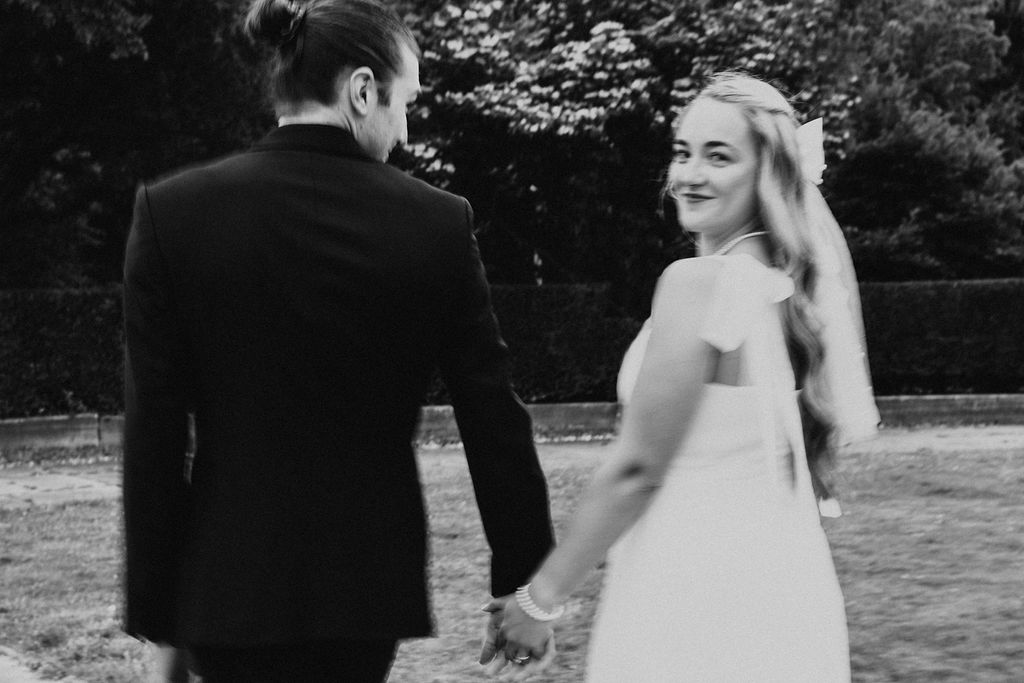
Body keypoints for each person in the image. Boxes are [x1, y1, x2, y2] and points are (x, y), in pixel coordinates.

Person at [121, 1, 555, 680]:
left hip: (226, 588)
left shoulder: (173, 213)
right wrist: (522, 582)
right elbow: (492, 414)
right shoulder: (436, 224)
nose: (406, 130)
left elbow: (154, 430)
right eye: (405, 102)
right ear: (361, 90)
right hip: (365, 591)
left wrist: (159, 611)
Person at [480, 72, 880, 681]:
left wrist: (539, 600)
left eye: (718, 156)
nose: (690, 174)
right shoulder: (790, 292)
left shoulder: (700, 284)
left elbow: (638, 468)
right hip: (783, 581)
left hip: (691, 579)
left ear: (765, 173)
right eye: (682, 151)